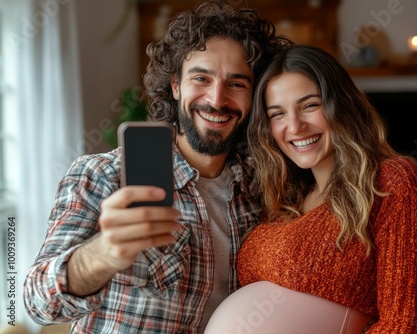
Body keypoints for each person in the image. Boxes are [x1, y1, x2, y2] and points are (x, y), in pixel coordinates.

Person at [23, 1, 291, 333]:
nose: (217, 99)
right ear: (175, 85)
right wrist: (104, 253)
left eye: (237, 83)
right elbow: (38, 302)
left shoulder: (263, 184)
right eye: (201, 78)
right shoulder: (102, 175)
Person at [205, 45, 417, 333]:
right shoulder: (286, 197)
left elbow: (407, 324)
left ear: (340, 105)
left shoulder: (392, 182)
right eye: (277, 114)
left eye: (309, 105)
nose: (295, 126)